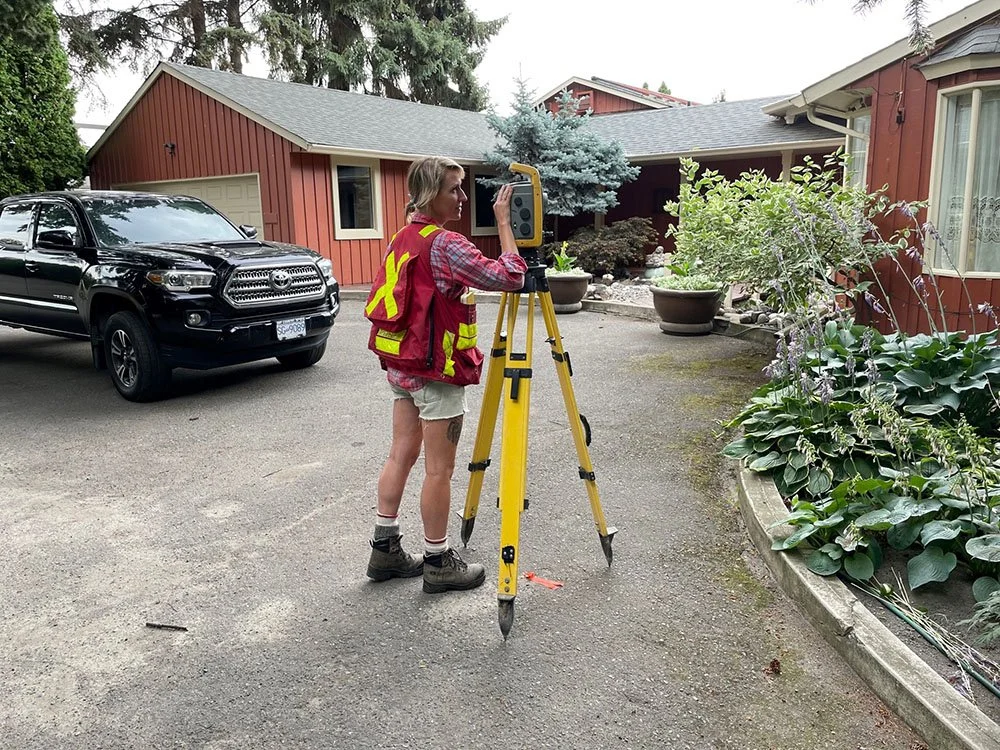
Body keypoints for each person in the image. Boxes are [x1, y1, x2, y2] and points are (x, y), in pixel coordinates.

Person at [365, 156, 528, 594]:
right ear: (428, 194)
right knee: (439, 470)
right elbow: (509, 275)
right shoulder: (447, 244)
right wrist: (503, 223)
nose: (460, 198)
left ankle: (385, 550)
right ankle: (438, 560)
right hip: (436, 372)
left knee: (401, 453)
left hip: (401, 366)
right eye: (453, 189)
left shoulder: (402, 237)